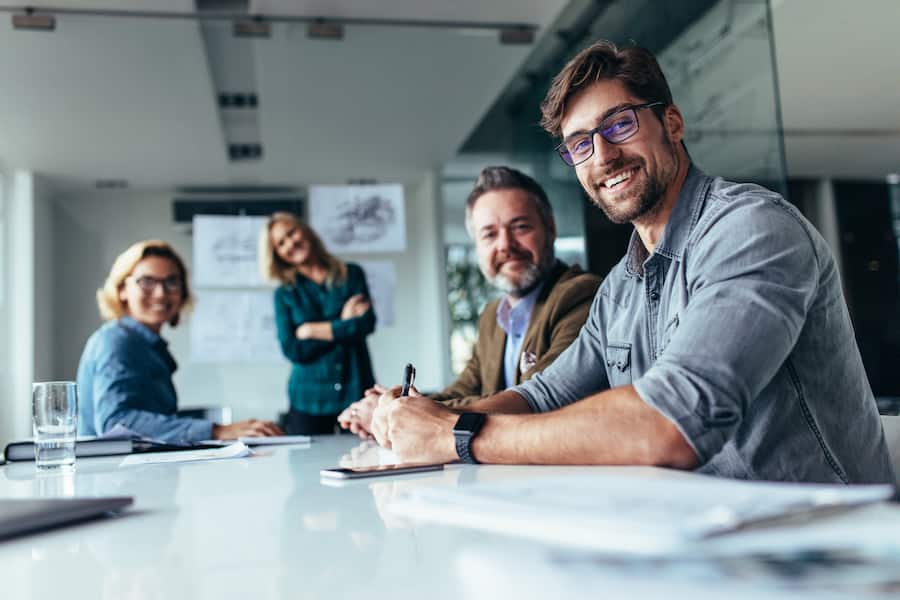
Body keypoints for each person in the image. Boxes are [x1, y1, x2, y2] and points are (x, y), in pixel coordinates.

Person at [370, 40, 895, 484]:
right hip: (705, 537)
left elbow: (672, 423)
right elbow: (543, 394)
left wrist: (457, 436)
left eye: (618, 125)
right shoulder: (621, 285)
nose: (601, 156)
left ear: (672, 121)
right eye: (579, 144)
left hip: (825, 552)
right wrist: (426, 419)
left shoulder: (751, 229)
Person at [337, 167, 601, 438]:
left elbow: (538, 397)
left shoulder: (579, 295)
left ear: (551, 228)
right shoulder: (492, 316)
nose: (505, 245)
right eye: (489, 234)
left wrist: (396, 412)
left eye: (520, 227)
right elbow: (465, 390)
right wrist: (398, 405)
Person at [78, 240, 283, 443]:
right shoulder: (117, 342)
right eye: (147, 281)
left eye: (171, 282)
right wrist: (216, 431)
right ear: (122, 289)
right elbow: (116, 423)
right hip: (112, 474)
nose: (161, 293)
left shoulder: (147, 346)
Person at [261, 212, 376, 435]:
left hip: (355, 389)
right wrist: (343, 322)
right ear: (277, 254)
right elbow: (293, 349)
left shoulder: (351, 274)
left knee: (365, 460)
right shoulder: (284, 293)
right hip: (308, 399)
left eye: (291, 233)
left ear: (305, 230)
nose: (290, 243)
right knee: (305, 466)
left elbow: (365, 325)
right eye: (280, 243)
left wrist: (311, 330)